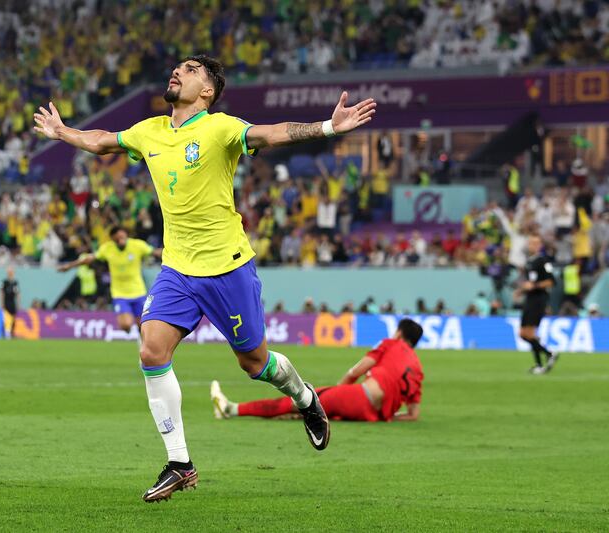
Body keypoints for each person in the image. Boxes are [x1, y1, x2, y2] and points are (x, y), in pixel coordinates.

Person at [34, 54, 377, 503]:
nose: (177, 72)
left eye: (191, 70)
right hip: (177, 268)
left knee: (255, 364)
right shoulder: (149, 130)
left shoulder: (220, 128)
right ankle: (180, 463)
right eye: (177, 67)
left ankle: (306, 398)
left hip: (227, 267)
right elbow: (102, 141)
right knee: (150, 350)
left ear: (208, 91)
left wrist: (328, 128)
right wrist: (64, 132)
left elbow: (272, 134)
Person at [211, 319, 424, 423]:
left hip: (359, 397)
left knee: (299, 399)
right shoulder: (417, 368)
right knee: (306, 410)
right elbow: (413, 415)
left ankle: (231, 409)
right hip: (375, 415)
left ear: (399, 333)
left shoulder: (391, 344)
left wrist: (339, 392)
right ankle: (307, 413)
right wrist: (387, 416)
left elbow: (356, 370)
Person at [57, 227, 161, 335]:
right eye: (117, 239)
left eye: (122, 237)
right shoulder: (107, 249)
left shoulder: (137, 245)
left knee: (142, 325)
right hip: (119, 294)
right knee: (126, 324)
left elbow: (155, 252)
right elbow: (88, 259)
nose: (121, 241)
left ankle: (142, 343)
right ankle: (132, 329)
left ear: (126, 235)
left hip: (138, 291)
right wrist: (70, 266)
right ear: (113, 239)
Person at [518, 235, 558, 374]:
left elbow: (551, 281)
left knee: (528, 333)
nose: (532, 246)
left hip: (538, 299)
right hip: (530, 299)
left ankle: (547, 356)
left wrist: (534, 285)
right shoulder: (529, 262)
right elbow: (529, 283)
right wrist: (521, 290)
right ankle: (541, 362)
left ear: (539, 245)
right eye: (530, 243)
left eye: (535, 243)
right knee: (524, 334)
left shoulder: (543, 260)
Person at [0, 267, 20, 339]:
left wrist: (18, 303)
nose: (10, 273)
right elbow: (1, 292)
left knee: (13, 317)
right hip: (6, 301)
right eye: (9, 272)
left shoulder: (15, 283)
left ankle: (12, 332)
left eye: (11, 272)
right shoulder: (4, 282)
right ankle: (5, 332)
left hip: (12, 302)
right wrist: (2, 303)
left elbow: (17, 293)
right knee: (6, 318)